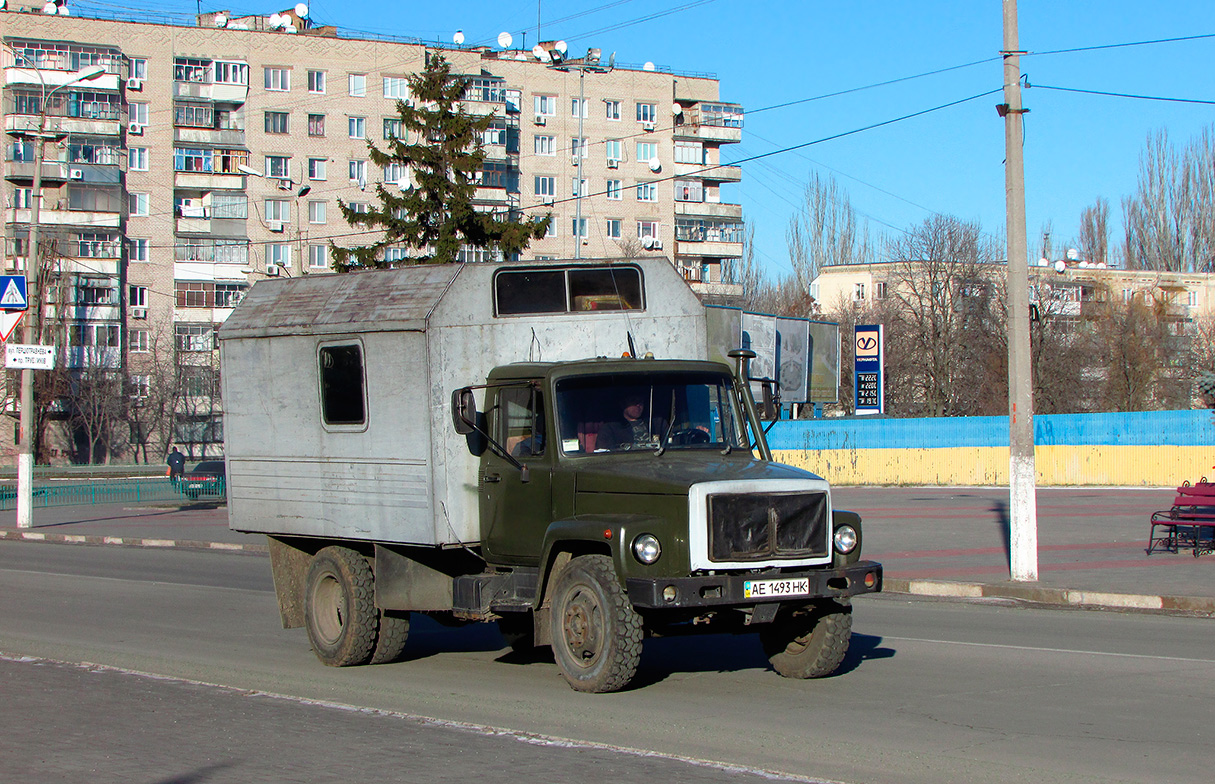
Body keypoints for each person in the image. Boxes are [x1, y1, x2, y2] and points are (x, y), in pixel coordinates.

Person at [597, 392, 668, 450]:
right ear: (623, 404)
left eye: (641, 402)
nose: (638, 405)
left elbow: (671, 445)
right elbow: (604, 455)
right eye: (633, 401)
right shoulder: (610, 428)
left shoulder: (657, 423)